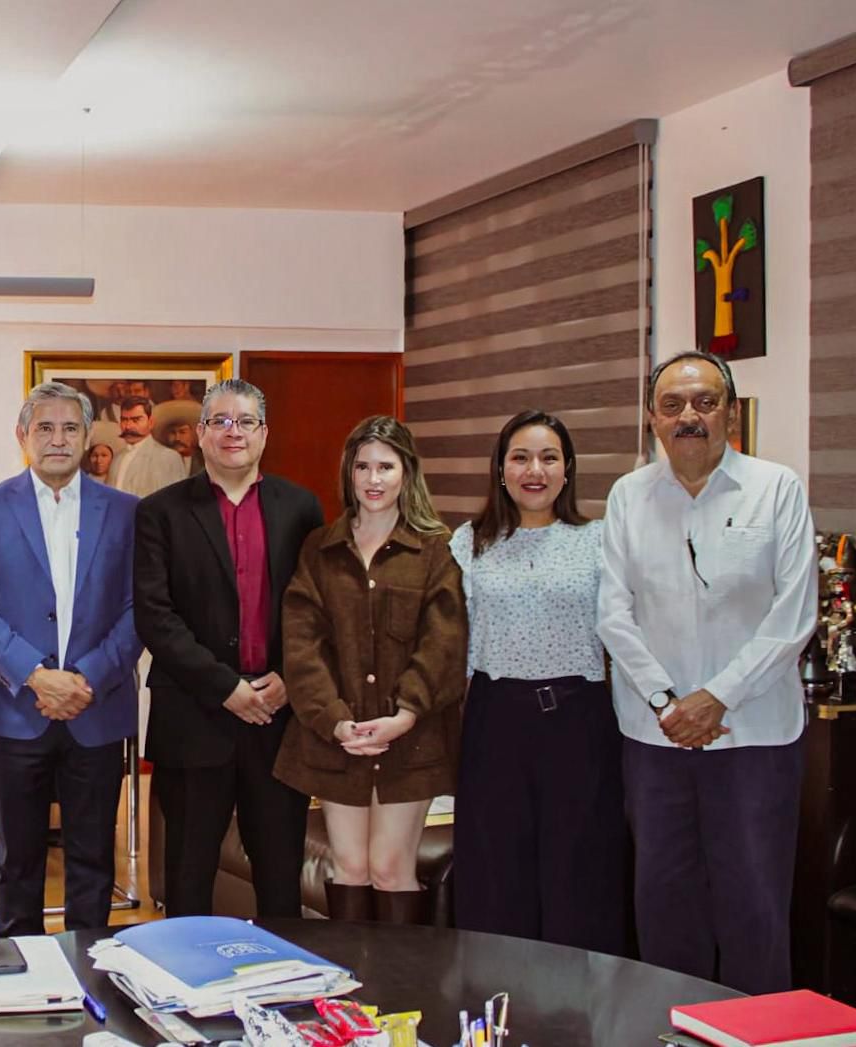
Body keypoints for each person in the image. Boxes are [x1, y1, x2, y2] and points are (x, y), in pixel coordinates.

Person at [598, 351, 817, 994]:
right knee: (665, 911)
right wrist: (668, 701)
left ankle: (758, 1034)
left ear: (731, 412)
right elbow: (613, 614)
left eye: (704, 402)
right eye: (672, 405)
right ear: (652, 419)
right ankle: (670, 1033)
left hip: (755, 740)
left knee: (755, 911)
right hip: (655, 739)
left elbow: (794, 615)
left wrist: (717, 697)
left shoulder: (776, 489)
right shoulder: (628, 496)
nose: (688, 416)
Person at [134, 378, 325, 918]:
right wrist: (225, 687)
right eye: (219, 421)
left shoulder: (301, 508)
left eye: (245, 421)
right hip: (194, 717)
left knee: (280, 882)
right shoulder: (161, 512)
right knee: (188, 880)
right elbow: (155, 616)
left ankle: (283, 970)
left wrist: (288, 676)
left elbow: (318, 608)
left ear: (264, 433)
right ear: (200, 434)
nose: (232, 432)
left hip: (278, 719)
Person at [0, 381, 142, 937]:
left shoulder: (127, 511)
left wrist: (86, 678)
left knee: (93, 860)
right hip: (14, 708)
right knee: (18, 862)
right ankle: (20, 973)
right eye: (45, 428)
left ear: (87, 437)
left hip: (97, 707)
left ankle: (89, 971)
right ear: (22, 436)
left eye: (69, 428)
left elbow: (140, 607)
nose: (57, 439)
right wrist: (36, 677)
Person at [274, 415, 464, 925]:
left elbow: (444, 644)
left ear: (408, 472)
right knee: (351, 867)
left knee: (389, 868)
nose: (373, 479)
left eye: (386, 467)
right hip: (338, 738)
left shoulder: (437, 549)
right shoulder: (320, 549)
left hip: (412, 739)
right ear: (349, 472)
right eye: (363, 467)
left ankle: (400, 977)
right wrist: (334, 720)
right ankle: (350, 977)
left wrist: (405, 714)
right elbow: (302, 645)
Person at [447, 410, 625, 952]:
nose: (535, 470)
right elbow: (452, 642)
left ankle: (578, 999)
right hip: (495, 718)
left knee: (580, 869)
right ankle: (499, 992)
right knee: (496, 869)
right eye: (520, 458)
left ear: (567, 470)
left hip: (578, 719)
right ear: (500, 469)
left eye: (549, 458)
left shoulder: (598, 540)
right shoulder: (468, 542)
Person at [111, 395, 188, 497]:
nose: (128, 426)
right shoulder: (117, 459)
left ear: (151, 423)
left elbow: (176, 501)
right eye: (124, 420)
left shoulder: (168, 457)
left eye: (136, 420)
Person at [83, 419, 122, 485]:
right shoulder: (82, 481)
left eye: (104, 455)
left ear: (112, 459)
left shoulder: (119, 481)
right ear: (89, 459)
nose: (98, 461)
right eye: (95, 456)